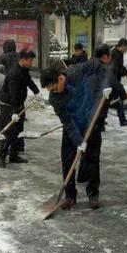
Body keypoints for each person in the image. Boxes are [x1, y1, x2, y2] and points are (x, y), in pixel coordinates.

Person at [40, 44, 112, 210]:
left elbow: (96, 64)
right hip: (73, 126)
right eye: (51, 90)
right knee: (68, 159)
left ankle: (93, 194)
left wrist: (105, 86)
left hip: (91, 122)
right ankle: (70, 195)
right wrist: (79, 141)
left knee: (93, 159)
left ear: (60, 78)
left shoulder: (77, 72)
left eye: (55, 88)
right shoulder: (55, 98)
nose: (54, 92)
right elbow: (67, 120)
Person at [0, 49, 40, 167]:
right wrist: (15, 112)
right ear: (23, 60)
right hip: (8, 105)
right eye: (30, 60)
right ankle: (1, 155)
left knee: (18, 131)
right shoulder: (14, 73)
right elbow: (13, 93)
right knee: (9, 132)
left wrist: (37, 92)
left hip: (18, 104)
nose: (31, 63)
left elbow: (29, 81)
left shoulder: (24, 70)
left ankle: (13, 156)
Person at [110, 38, 127, 127]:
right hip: (112, 81)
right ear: (123, 46)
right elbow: (113, 69)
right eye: (126, 47)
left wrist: (126, 73)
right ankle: (122, 120)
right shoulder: (115, 54)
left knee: (114, 101)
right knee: (117, 100)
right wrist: (122, 74)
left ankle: (122, 120)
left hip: (114, 81)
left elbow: (120, 67)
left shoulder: (119, 53)